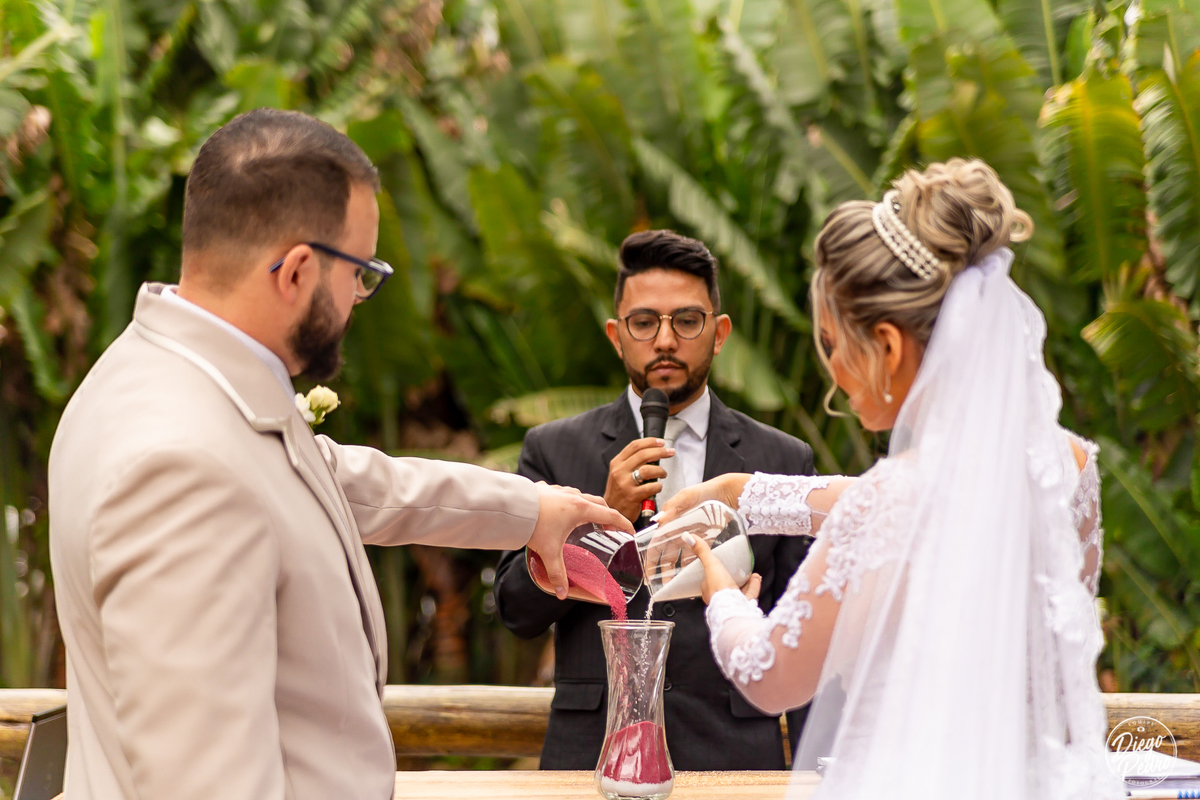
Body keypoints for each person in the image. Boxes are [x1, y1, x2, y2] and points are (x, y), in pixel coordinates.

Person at [47, 108, 630, 800]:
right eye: (361, 273)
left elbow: (332, 480)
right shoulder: (183, 466)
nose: (361, 299)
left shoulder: (151, 375)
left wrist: (532, 510)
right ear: (296, 271)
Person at [660, 159, 1124, 799]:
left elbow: (769, 675)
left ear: (887, 345)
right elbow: (933, 508)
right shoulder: (1069, 467)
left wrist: (722, 595)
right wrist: (740, 492)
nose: (833, 375)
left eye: (834, 344)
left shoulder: (894, 495)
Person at [493, 230, 817, 770]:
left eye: (686, 321)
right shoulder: (553, 450)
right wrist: (603, 520)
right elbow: (515, 610)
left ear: (719, 333)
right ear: (617, 336)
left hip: (732, 752)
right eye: (644, 323)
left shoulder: (779, 458)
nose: (665, 340)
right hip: (592, 754)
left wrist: (815, 776)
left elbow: (804, 629)